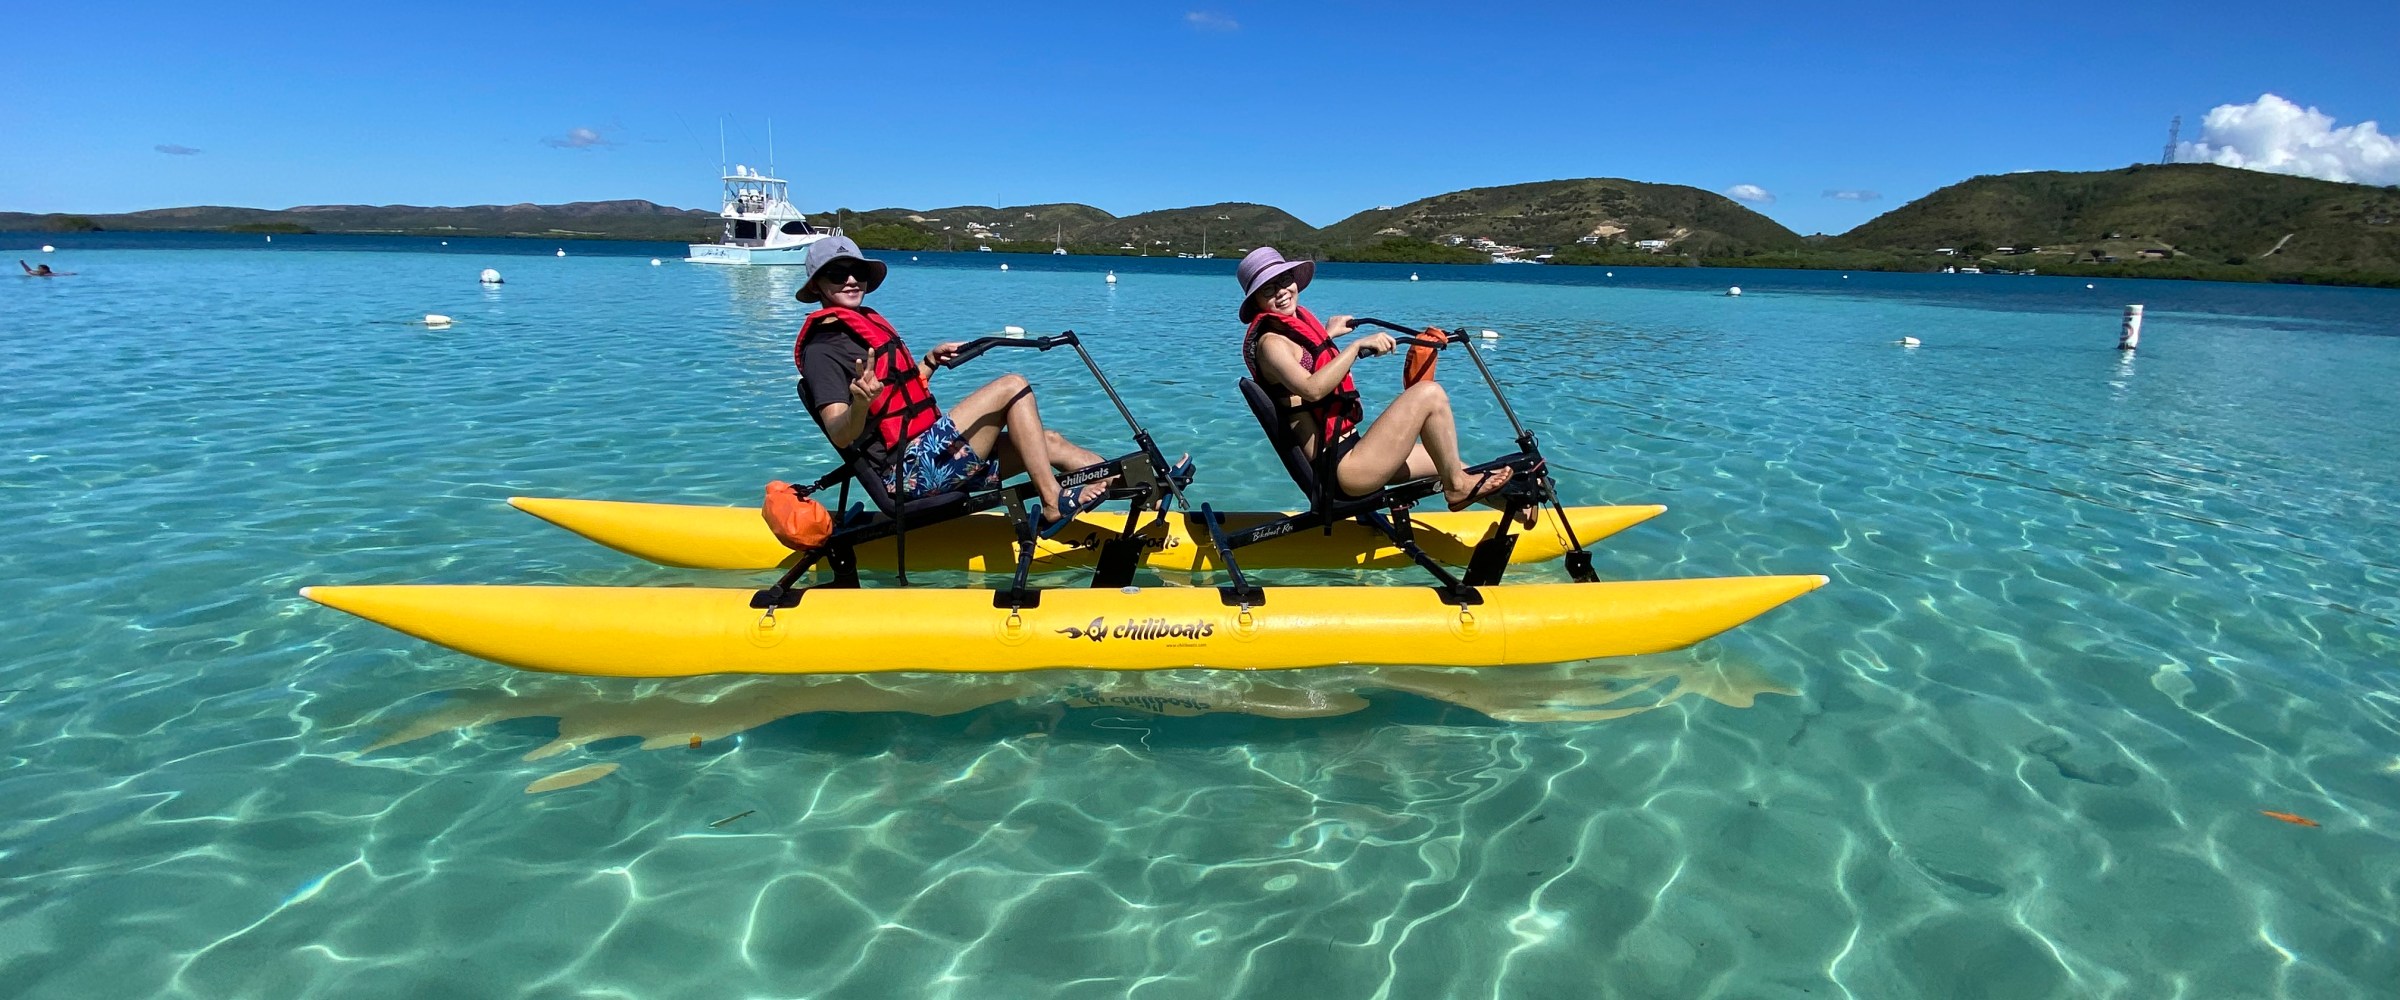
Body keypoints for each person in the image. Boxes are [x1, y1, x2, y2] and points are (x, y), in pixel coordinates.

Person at [792, 236, 1127, 535]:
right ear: (817, 285)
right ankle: (1053, 501)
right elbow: (839, 431)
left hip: (932, 456)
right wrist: (861, 402)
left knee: (1049, 441)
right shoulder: (823, 350)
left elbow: (898, 398)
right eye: (837, 274)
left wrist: (928, 363)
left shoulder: (864, 326)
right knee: (1012, 385)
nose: (851, 280)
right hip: (907, 474)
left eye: (858, 272)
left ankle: (1130, 487)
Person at [1236, 246, 1518, 513]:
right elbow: (1312, 389)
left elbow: (1306, 360)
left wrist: (1327, 335)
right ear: (1257, 301)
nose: (1281, 293)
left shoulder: (1287, 334)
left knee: (1450, 463)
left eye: (1284, 281)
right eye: (1268, 290)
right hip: (1342, 471)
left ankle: (1519, 513)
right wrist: (1356, 347)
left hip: (1353, 453)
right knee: (1429, 394)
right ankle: (1456, 490)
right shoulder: (1270, 343)